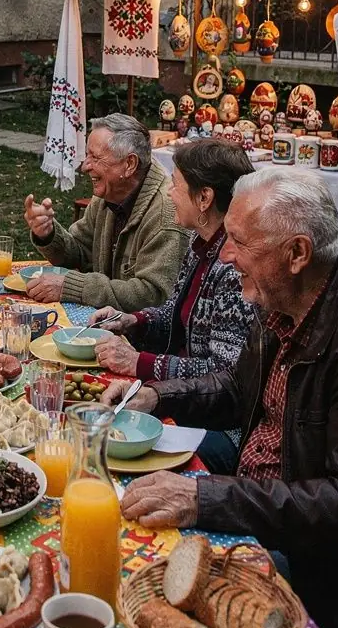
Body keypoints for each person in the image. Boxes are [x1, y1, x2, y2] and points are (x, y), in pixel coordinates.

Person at [103, 167, 338, 628]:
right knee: (120, 534)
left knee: (144, 587)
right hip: (251, 506)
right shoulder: (285, 295)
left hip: (314, 569)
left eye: (238, 242)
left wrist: (206, 497)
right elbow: (237, 392)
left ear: (297, 252)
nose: (225, 255)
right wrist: (154, 393)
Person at [89, 139, 255, 474]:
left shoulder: (232, 265)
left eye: (176, 185)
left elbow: (225, 375)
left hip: (223, 428)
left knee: (106, 444)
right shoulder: (202, 244)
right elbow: (173, 316)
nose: (168, 193)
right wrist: (131, 320)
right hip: (182, 400)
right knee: (96, 416)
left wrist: (141, 363)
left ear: (204, 198)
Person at [24, 114, 187, 311]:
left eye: (95, 157)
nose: (85, 166)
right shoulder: (108, 194)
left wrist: (74, 287)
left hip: (137, 338)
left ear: (129, 165)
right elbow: (80, 252)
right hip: (106, 323)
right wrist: (48, 233)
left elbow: (153, 295)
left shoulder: (166, 213)